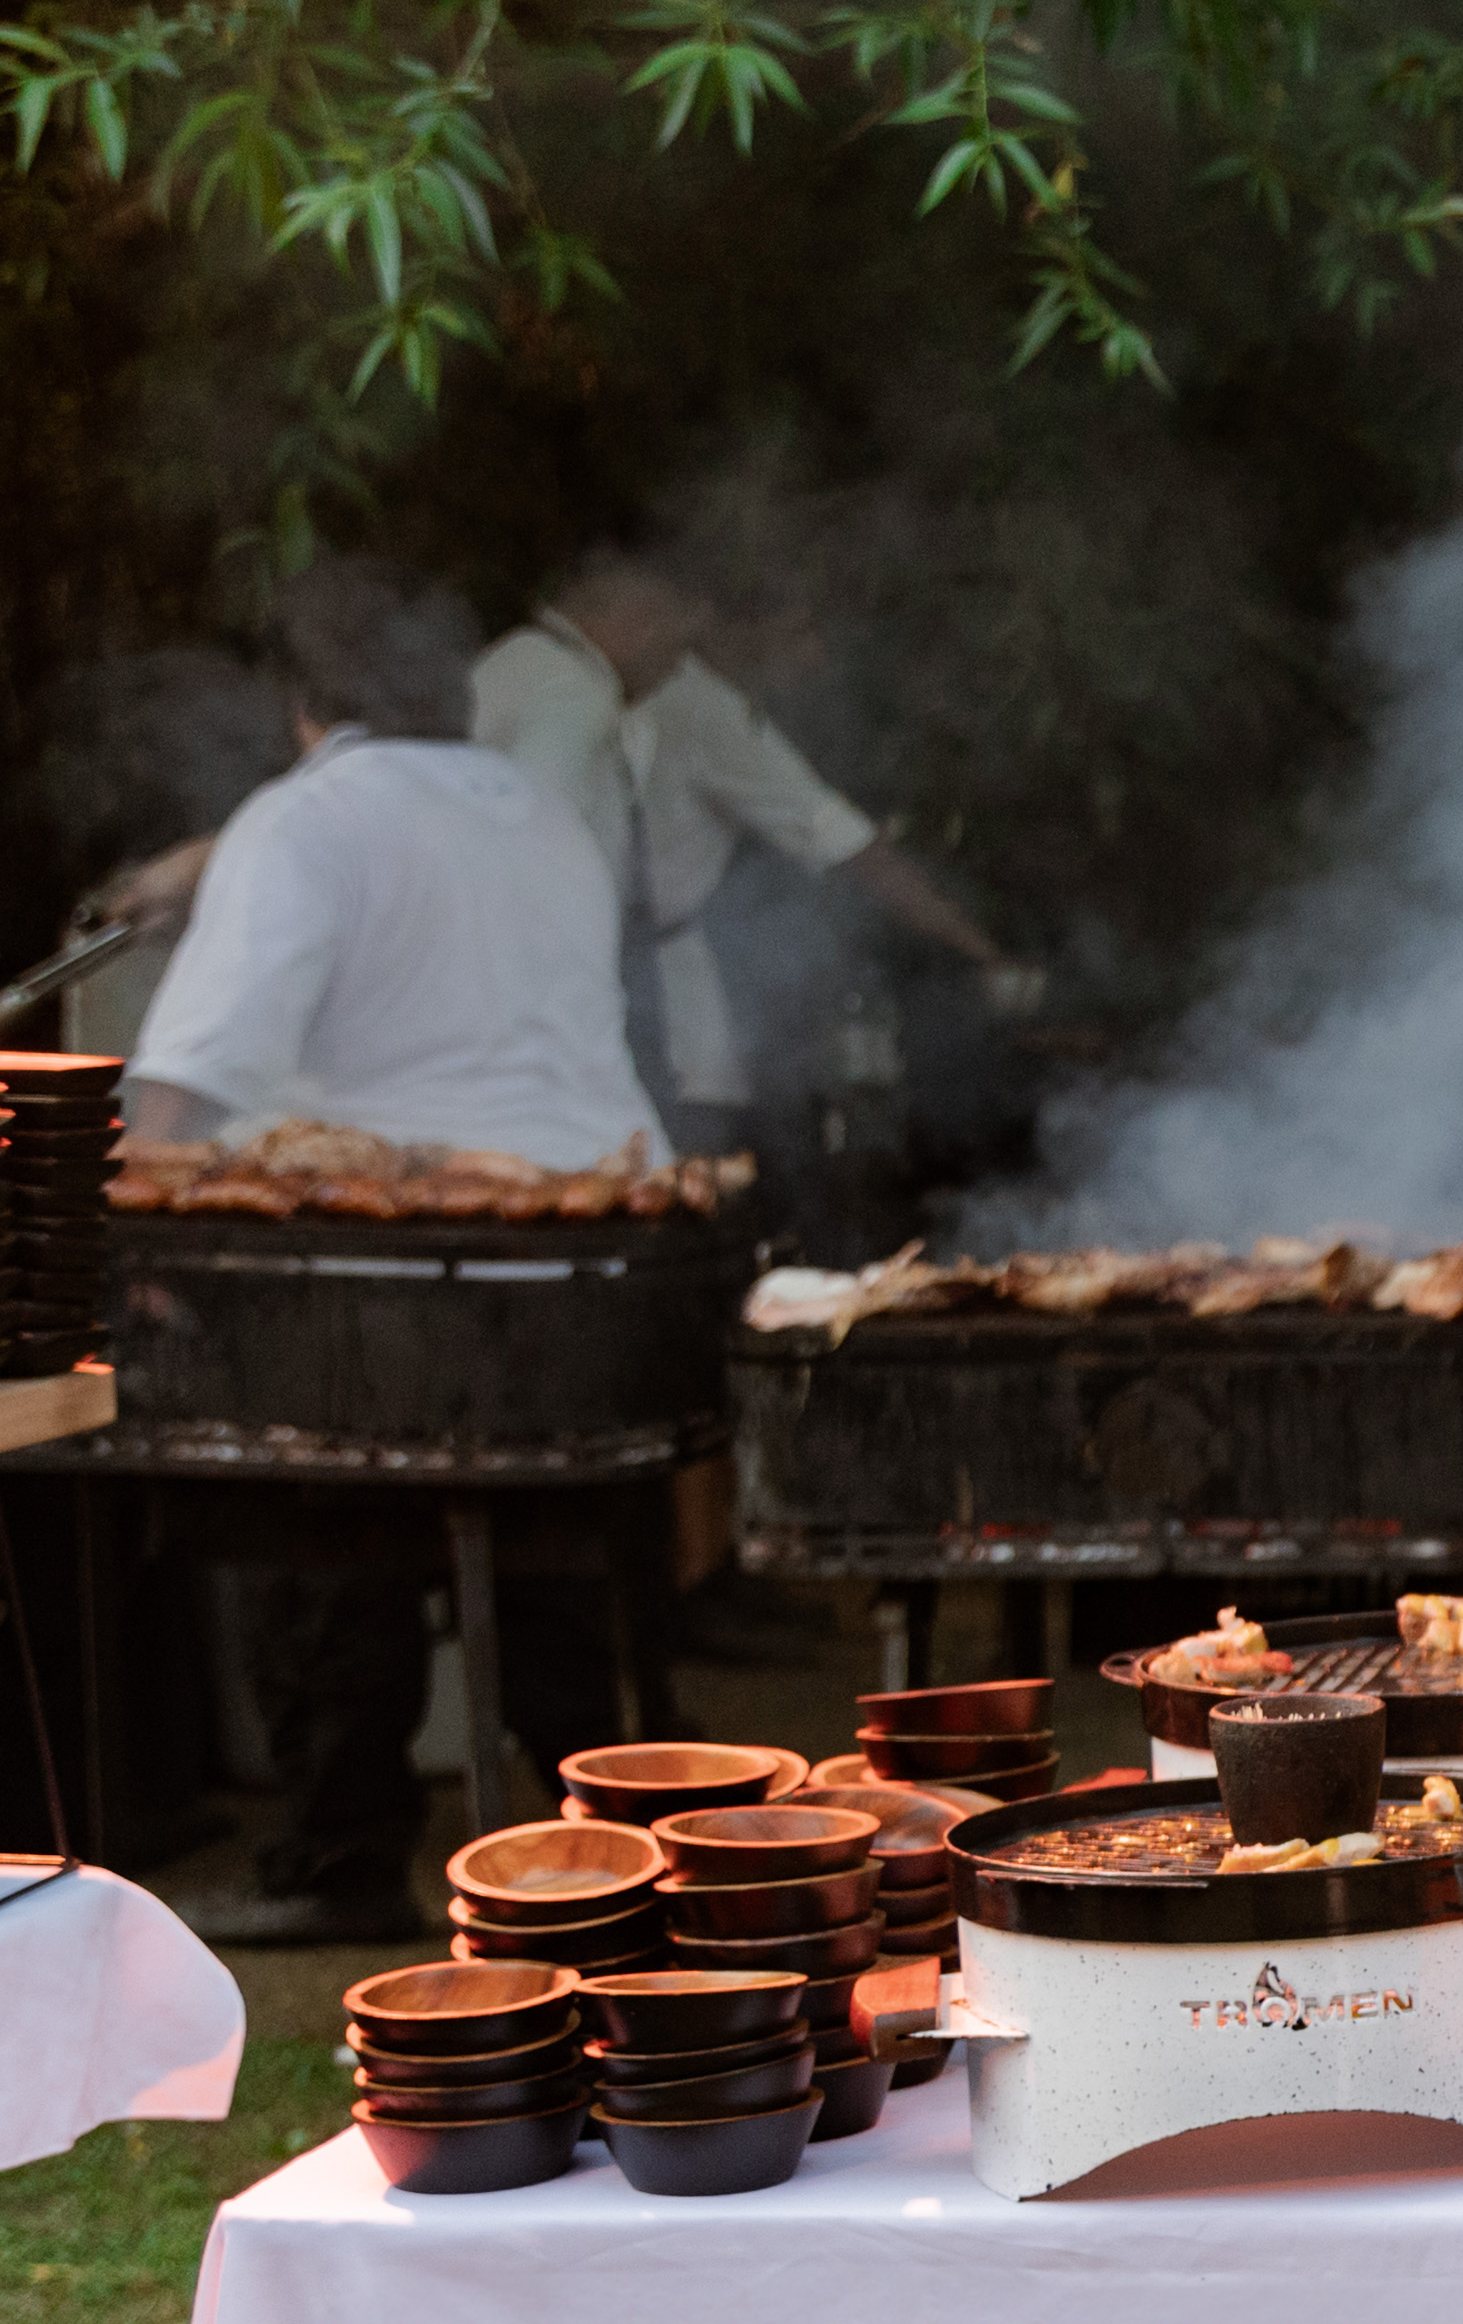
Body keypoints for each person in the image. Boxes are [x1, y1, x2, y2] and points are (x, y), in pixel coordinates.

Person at [119, 560, 658, 1938]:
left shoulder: (304, 819)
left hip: (397, 1284)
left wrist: (128, 1249)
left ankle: (340, 1854)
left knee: (314, 1504)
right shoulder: (534, 807)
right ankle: (615, 1839)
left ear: (302, 703)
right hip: (594, 1261)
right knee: (543, 1543)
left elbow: (180, 1089)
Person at [469, 550, 1035, 1215]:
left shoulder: (505, 665)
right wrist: (984, 953)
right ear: (639, 620)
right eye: (802, 635)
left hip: (522, 998)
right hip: (597, 996)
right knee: (653, 1192)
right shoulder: (604, 696)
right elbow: (843, 840)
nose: (819, 659)